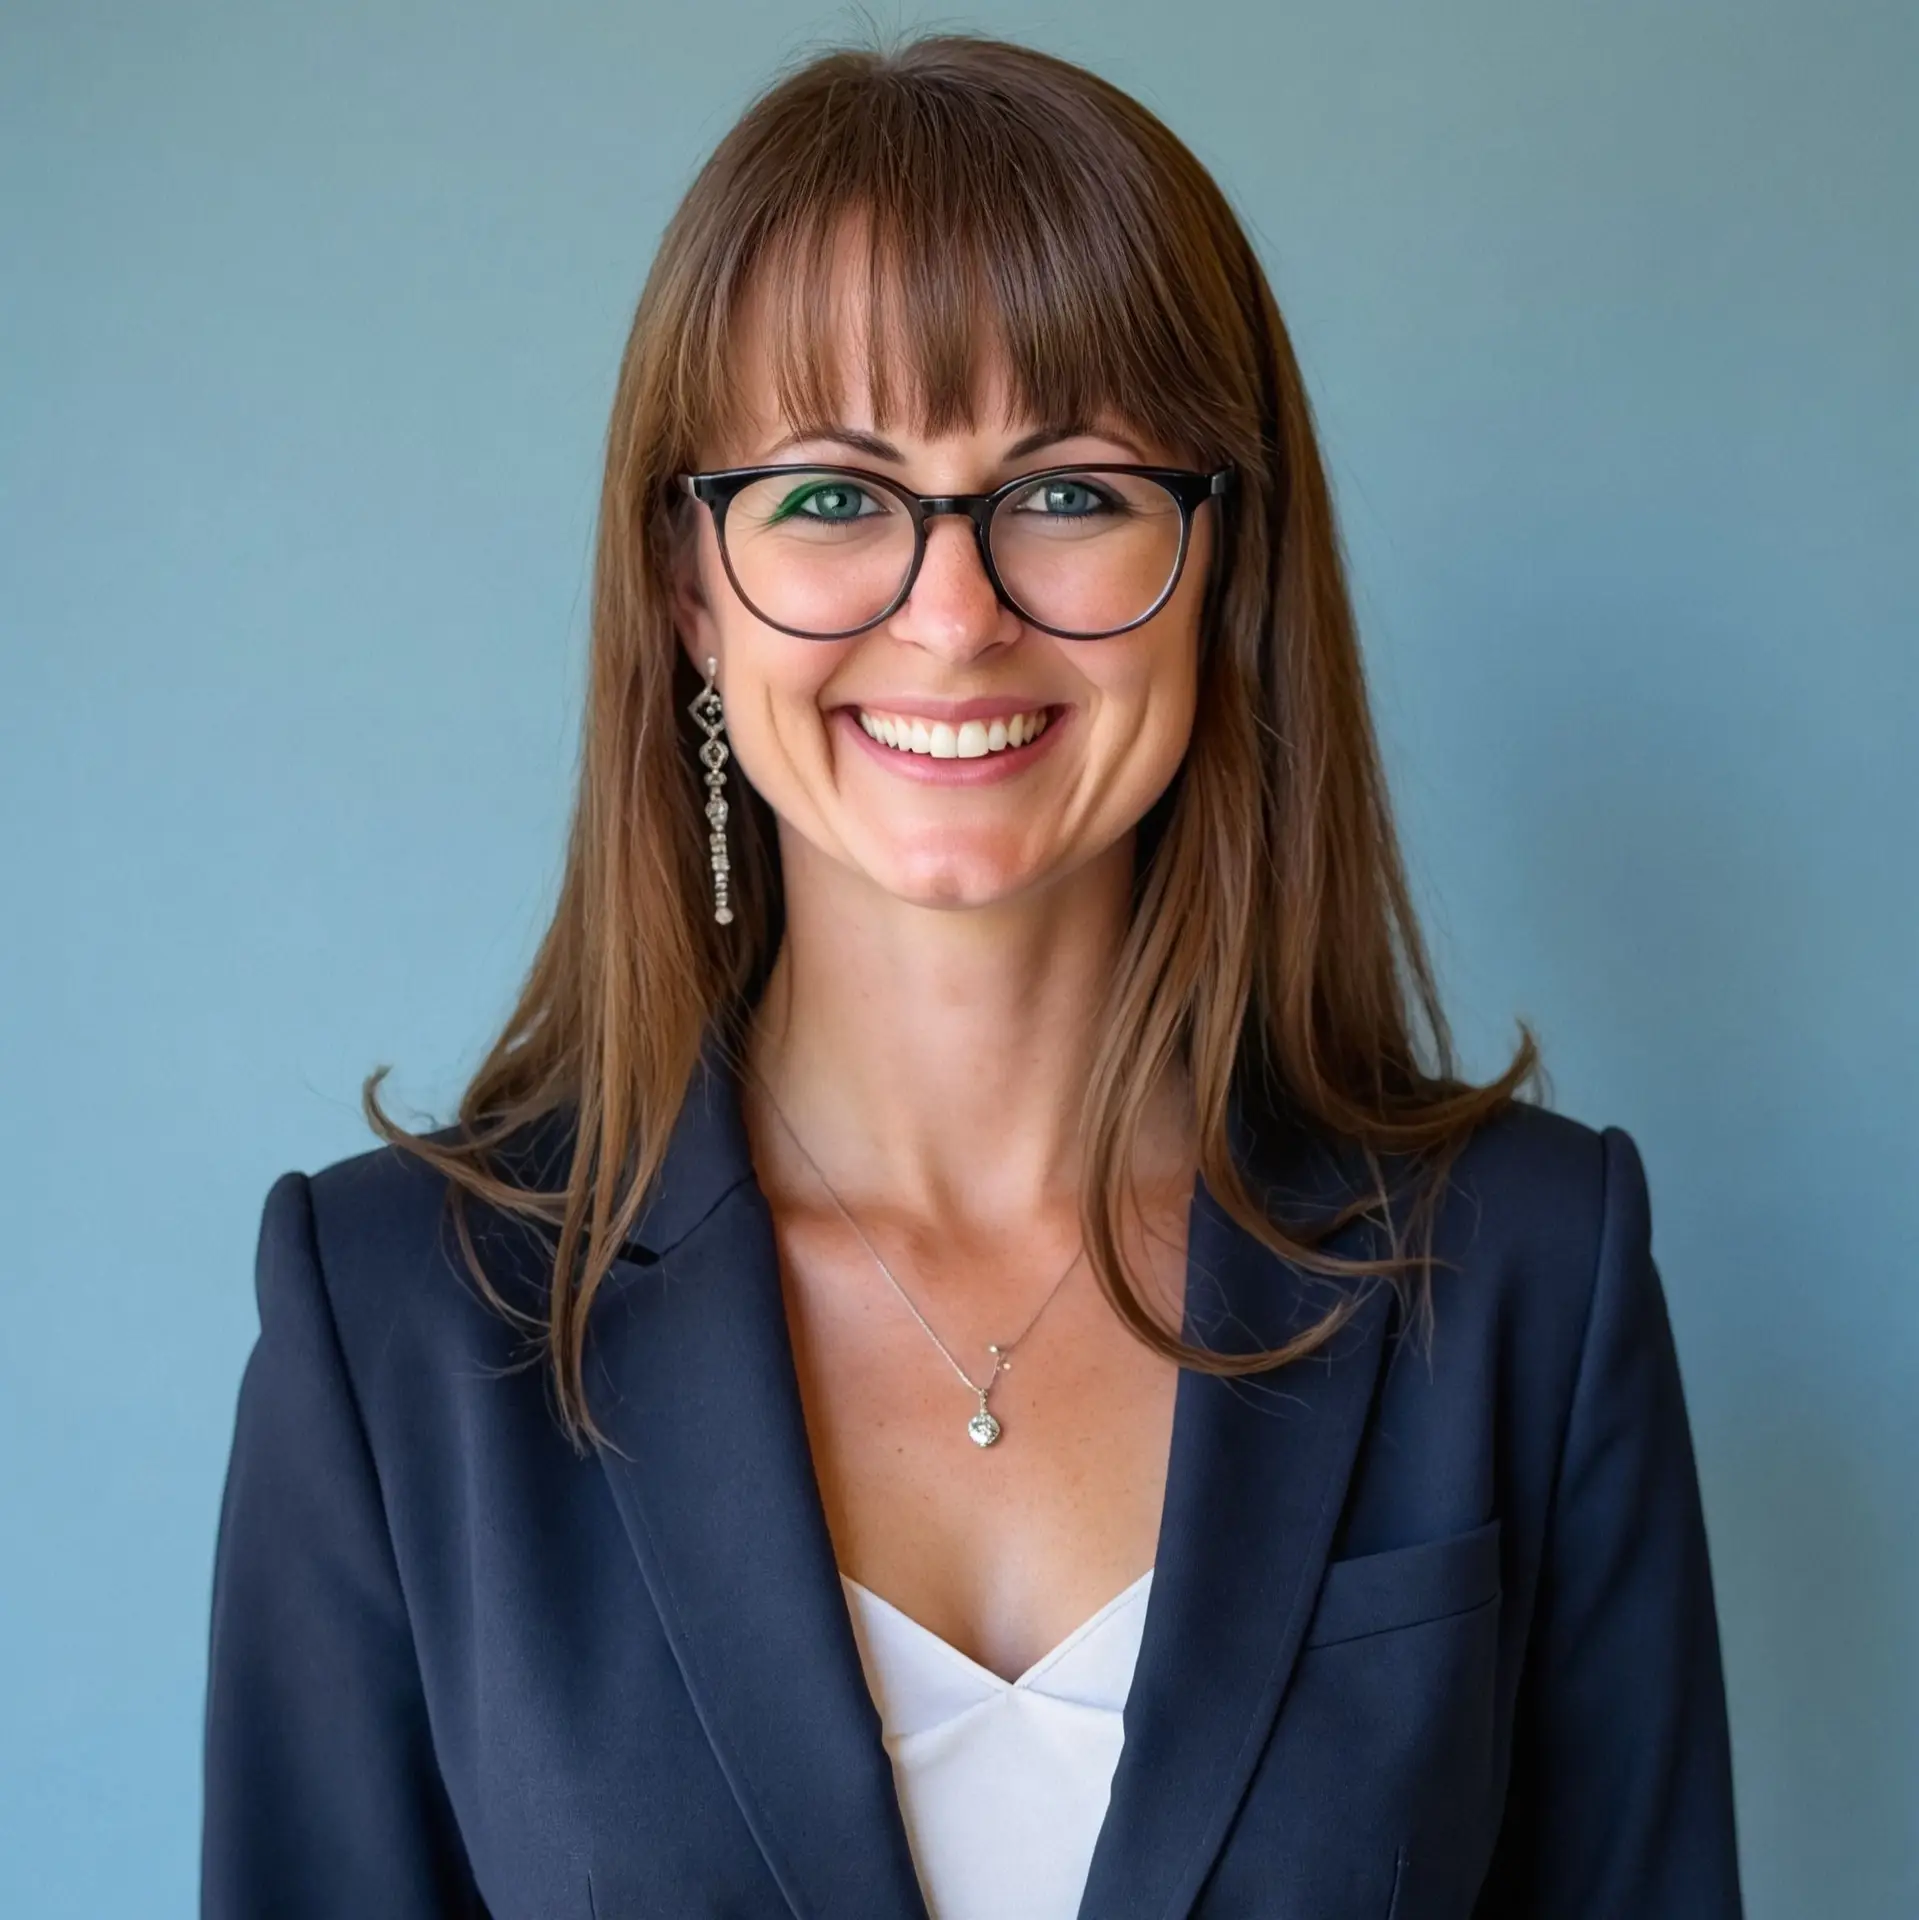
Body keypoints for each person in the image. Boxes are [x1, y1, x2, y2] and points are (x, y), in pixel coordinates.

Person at [200, 31, 1743, 1920]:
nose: (953, 616)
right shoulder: (393, 1329)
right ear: (690, 588)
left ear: (1221, 565)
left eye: (1073, 491)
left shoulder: (1526, 1272)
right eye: (834, 496)